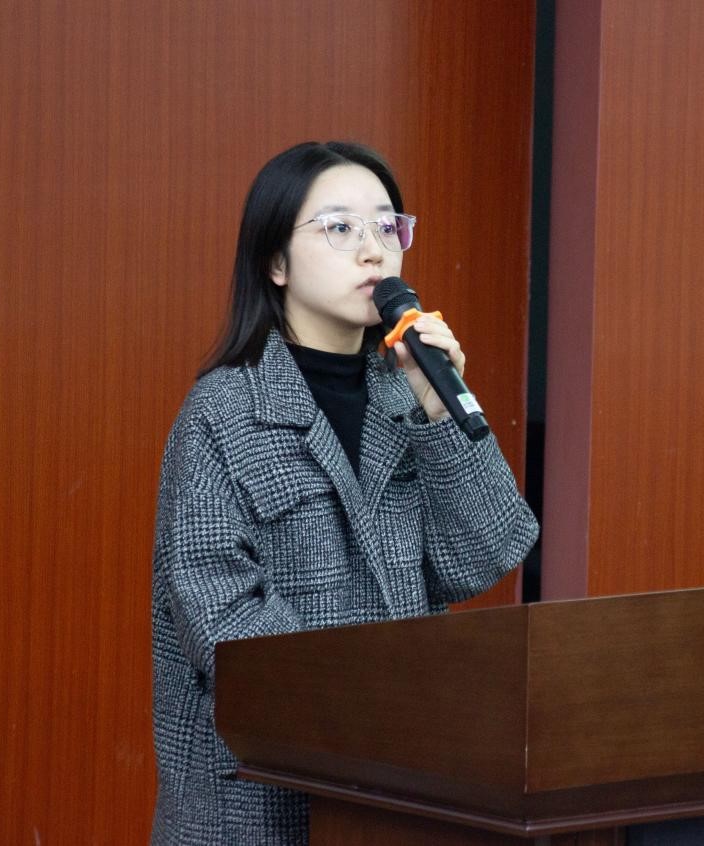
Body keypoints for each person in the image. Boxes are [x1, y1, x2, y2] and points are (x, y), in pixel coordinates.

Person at [150, 141, 539, 844]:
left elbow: (482, 556)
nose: (373, 251)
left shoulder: (407, 394)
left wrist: (437, 411)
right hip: (260, 801)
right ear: (275, 262)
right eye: (339, 227)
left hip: (397, 790)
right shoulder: (224, 413)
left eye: (387, 227)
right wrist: (370, 709)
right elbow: (223, 620)